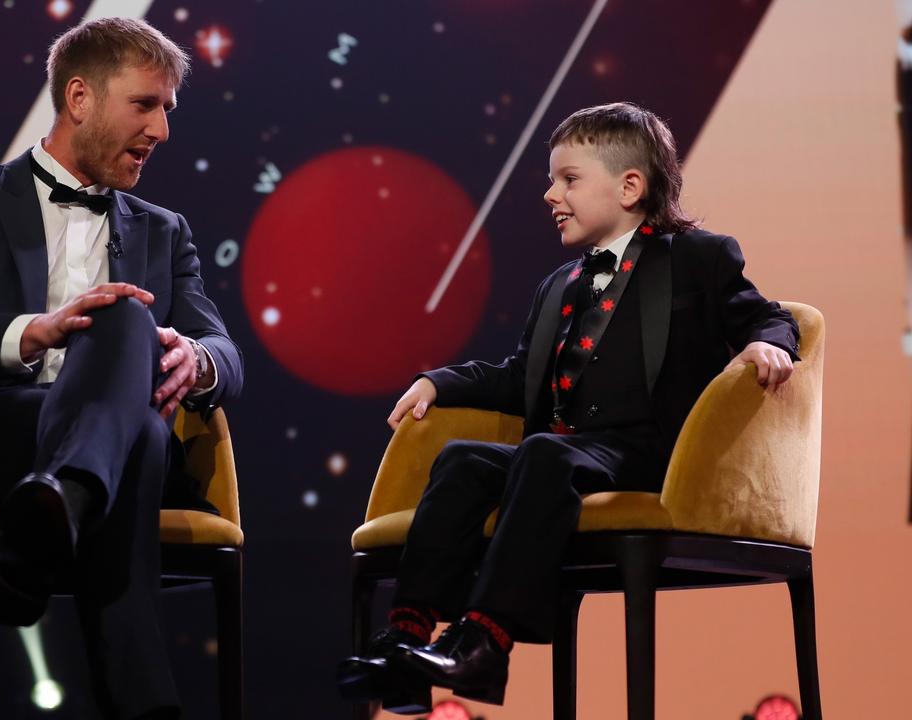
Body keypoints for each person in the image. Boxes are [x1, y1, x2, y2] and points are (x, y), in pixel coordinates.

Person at [338, 102, 799, 713]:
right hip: (560, 456)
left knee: (545, 453)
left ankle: (486, 639)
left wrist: (769, 342)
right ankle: (408, 636)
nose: (550, 193)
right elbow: (518, 378)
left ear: (630, 186)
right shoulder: (558, 284)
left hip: (647, 453)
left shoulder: (698, 259)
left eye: (568, 179)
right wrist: (442, 384)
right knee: (463, 461)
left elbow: (769, 316)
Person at [0, 17, 242, 720]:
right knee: (138, 430)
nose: (162, 129)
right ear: (79, 99)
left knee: (130, 329)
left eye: (168, 109)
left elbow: (224, 353)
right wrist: (32, 332)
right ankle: (144, 703)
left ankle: (54, 508)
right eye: (145, 104)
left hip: (79, 457)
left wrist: (193, 359)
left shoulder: (165, 232)